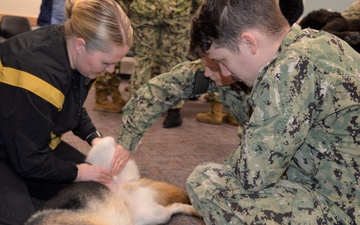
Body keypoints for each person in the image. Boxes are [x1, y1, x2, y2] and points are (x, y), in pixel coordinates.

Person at [186, 0, 359, 224]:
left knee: (205, 182)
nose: (226, 72)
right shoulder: (323, 42)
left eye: (222, 60)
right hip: (344, 186)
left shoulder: (288, 68)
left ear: (249, 43)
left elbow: (252, 175)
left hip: (345, 209)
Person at [0, 0, 133, 224]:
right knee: (21, 220)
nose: (111, 70)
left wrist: (95, 138)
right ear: (81, 45)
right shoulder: (37, 73)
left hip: (30, 142)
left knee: (98, 190)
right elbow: (30, 160)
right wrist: (79, 171)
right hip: (11, 150)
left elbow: (70, 105)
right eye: (107, 62)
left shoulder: (76, 53)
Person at [128, 0, 201, 128]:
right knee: (173, 61)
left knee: (143, 60)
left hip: (144, 11)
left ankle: (137, 109)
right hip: (176, 12)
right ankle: (173, 113)